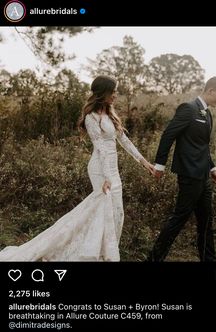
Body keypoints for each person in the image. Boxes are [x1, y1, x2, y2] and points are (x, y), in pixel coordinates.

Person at [0, 75, 154, 261]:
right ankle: (95, 253)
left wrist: (144, 162)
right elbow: (100, 148)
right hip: (100, 169)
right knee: (103, 211)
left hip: (113, 170)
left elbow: (124, 141)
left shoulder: (110, 115)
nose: (115, 94)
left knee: (117, 213)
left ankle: (107, 252)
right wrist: (106, 177)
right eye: (112, 91)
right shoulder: (91, 117)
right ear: (102, 92)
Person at [148, 76, 216, 262]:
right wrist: (159, 165)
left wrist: (213, 169)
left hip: (204, 177)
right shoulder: (188, 109)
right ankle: (154, 259)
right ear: (210, 91)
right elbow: (167, 136)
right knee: (178, 219)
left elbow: (202, 146)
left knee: (206, 221)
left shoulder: (207, 113)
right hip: (189, 175)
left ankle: (209, 260)